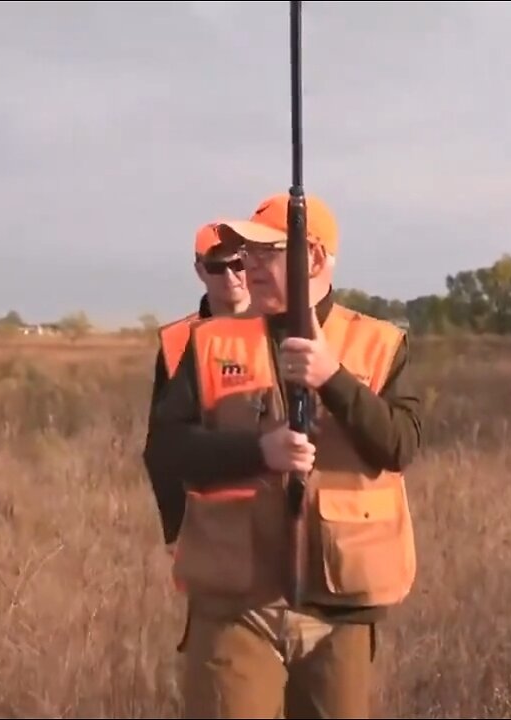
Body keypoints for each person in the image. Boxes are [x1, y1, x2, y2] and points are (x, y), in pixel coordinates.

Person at [142, 192, 423, 719]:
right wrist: (258, 452)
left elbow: (399, 444)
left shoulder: (381, 345)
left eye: (265, 251)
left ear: (313, 258)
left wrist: (332, 379)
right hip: (234, 603)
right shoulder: (209, 343)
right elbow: (167, 448)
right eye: (242, 253)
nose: (248, 266)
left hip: (339, 608)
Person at [147, 221, 250, 551]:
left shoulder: (281, 331)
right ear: (199, 271)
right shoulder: (177, 341)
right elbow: (160, 445)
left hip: (272, 515)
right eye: (217, 267)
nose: (231, 277)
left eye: (239, 264)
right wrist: (177, 529)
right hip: (206, 521)